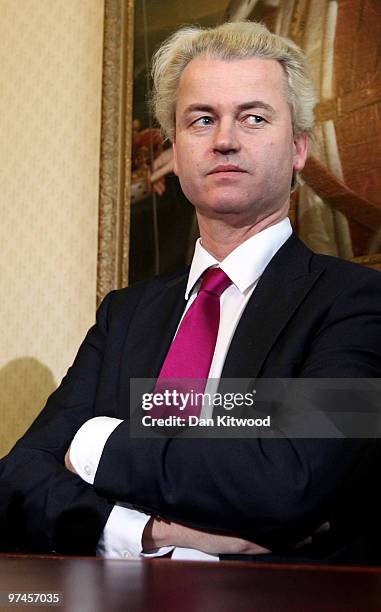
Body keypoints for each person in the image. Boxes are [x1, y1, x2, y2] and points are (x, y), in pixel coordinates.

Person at [1, 21, 381, 564]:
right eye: (202, 120)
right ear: (176, 152)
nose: (225, 139)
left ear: (299, 148)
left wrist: (93, 442)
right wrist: (146, 534)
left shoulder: (360, 304)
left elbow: (288, 481)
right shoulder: (124, 316)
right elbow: (17, 481)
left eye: (253, 117)